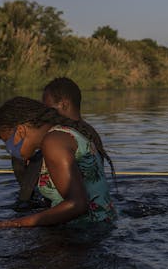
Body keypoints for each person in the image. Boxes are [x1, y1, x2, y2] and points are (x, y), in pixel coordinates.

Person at [0, 96, 117, 227]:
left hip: (85, 232)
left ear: (21, 131)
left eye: (6, 141)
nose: (8, 148)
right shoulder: (60, 135)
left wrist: (14, 223)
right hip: (98, 227)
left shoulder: (53, 142)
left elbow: (77, 204)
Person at [12, 77, 114, 208]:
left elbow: (26, 194)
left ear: (64, 105)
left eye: (47, 108)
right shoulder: (89, 132)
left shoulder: (58, 137)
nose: (45, 114)